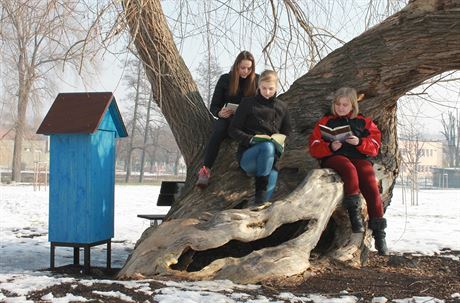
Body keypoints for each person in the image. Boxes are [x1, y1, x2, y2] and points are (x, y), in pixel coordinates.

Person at [308, 87, 389, 256]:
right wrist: (330, 146)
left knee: (370, 181)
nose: (341, 108)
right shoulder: (326, 121)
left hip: (358, 157)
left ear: (353, 105)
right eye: (338, 104)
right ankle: (354, 215)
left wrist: (359, 142)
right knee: (348, 168)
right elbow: (314, 146)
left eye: (345, 105)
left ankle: (380, 234)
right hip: (335, 158)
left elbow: (375, 146)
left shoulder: (364, 122)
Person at [196, 51, 258, 188]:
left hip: (246, 121)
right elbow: (214, 106)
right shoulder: (225, 79)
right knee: (218, 131)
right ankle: (206, 170)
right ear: (236, 66)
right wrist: (219, 112)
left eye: (249, 68)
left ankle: (249, 167)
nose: (246, 71)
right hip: (227, 119)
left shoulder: (257, 80)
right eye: (243, 68)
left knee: (249, 133)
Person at [229, 70, 291, 205]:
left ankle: (258, 206)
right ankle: (259, 192)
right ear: (258, 86)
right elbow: (233, 130)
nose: (267, 92)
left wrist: (281, 141)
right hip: (249, 157)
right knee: (267, 146)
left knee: (262, 205)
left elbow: (287, 132)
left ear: (276, 88)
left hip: (271, 160)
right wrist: (250, 139)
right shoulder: (247, 103)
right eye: (264, 88)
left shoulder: (282, 107)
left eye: (271, 89)